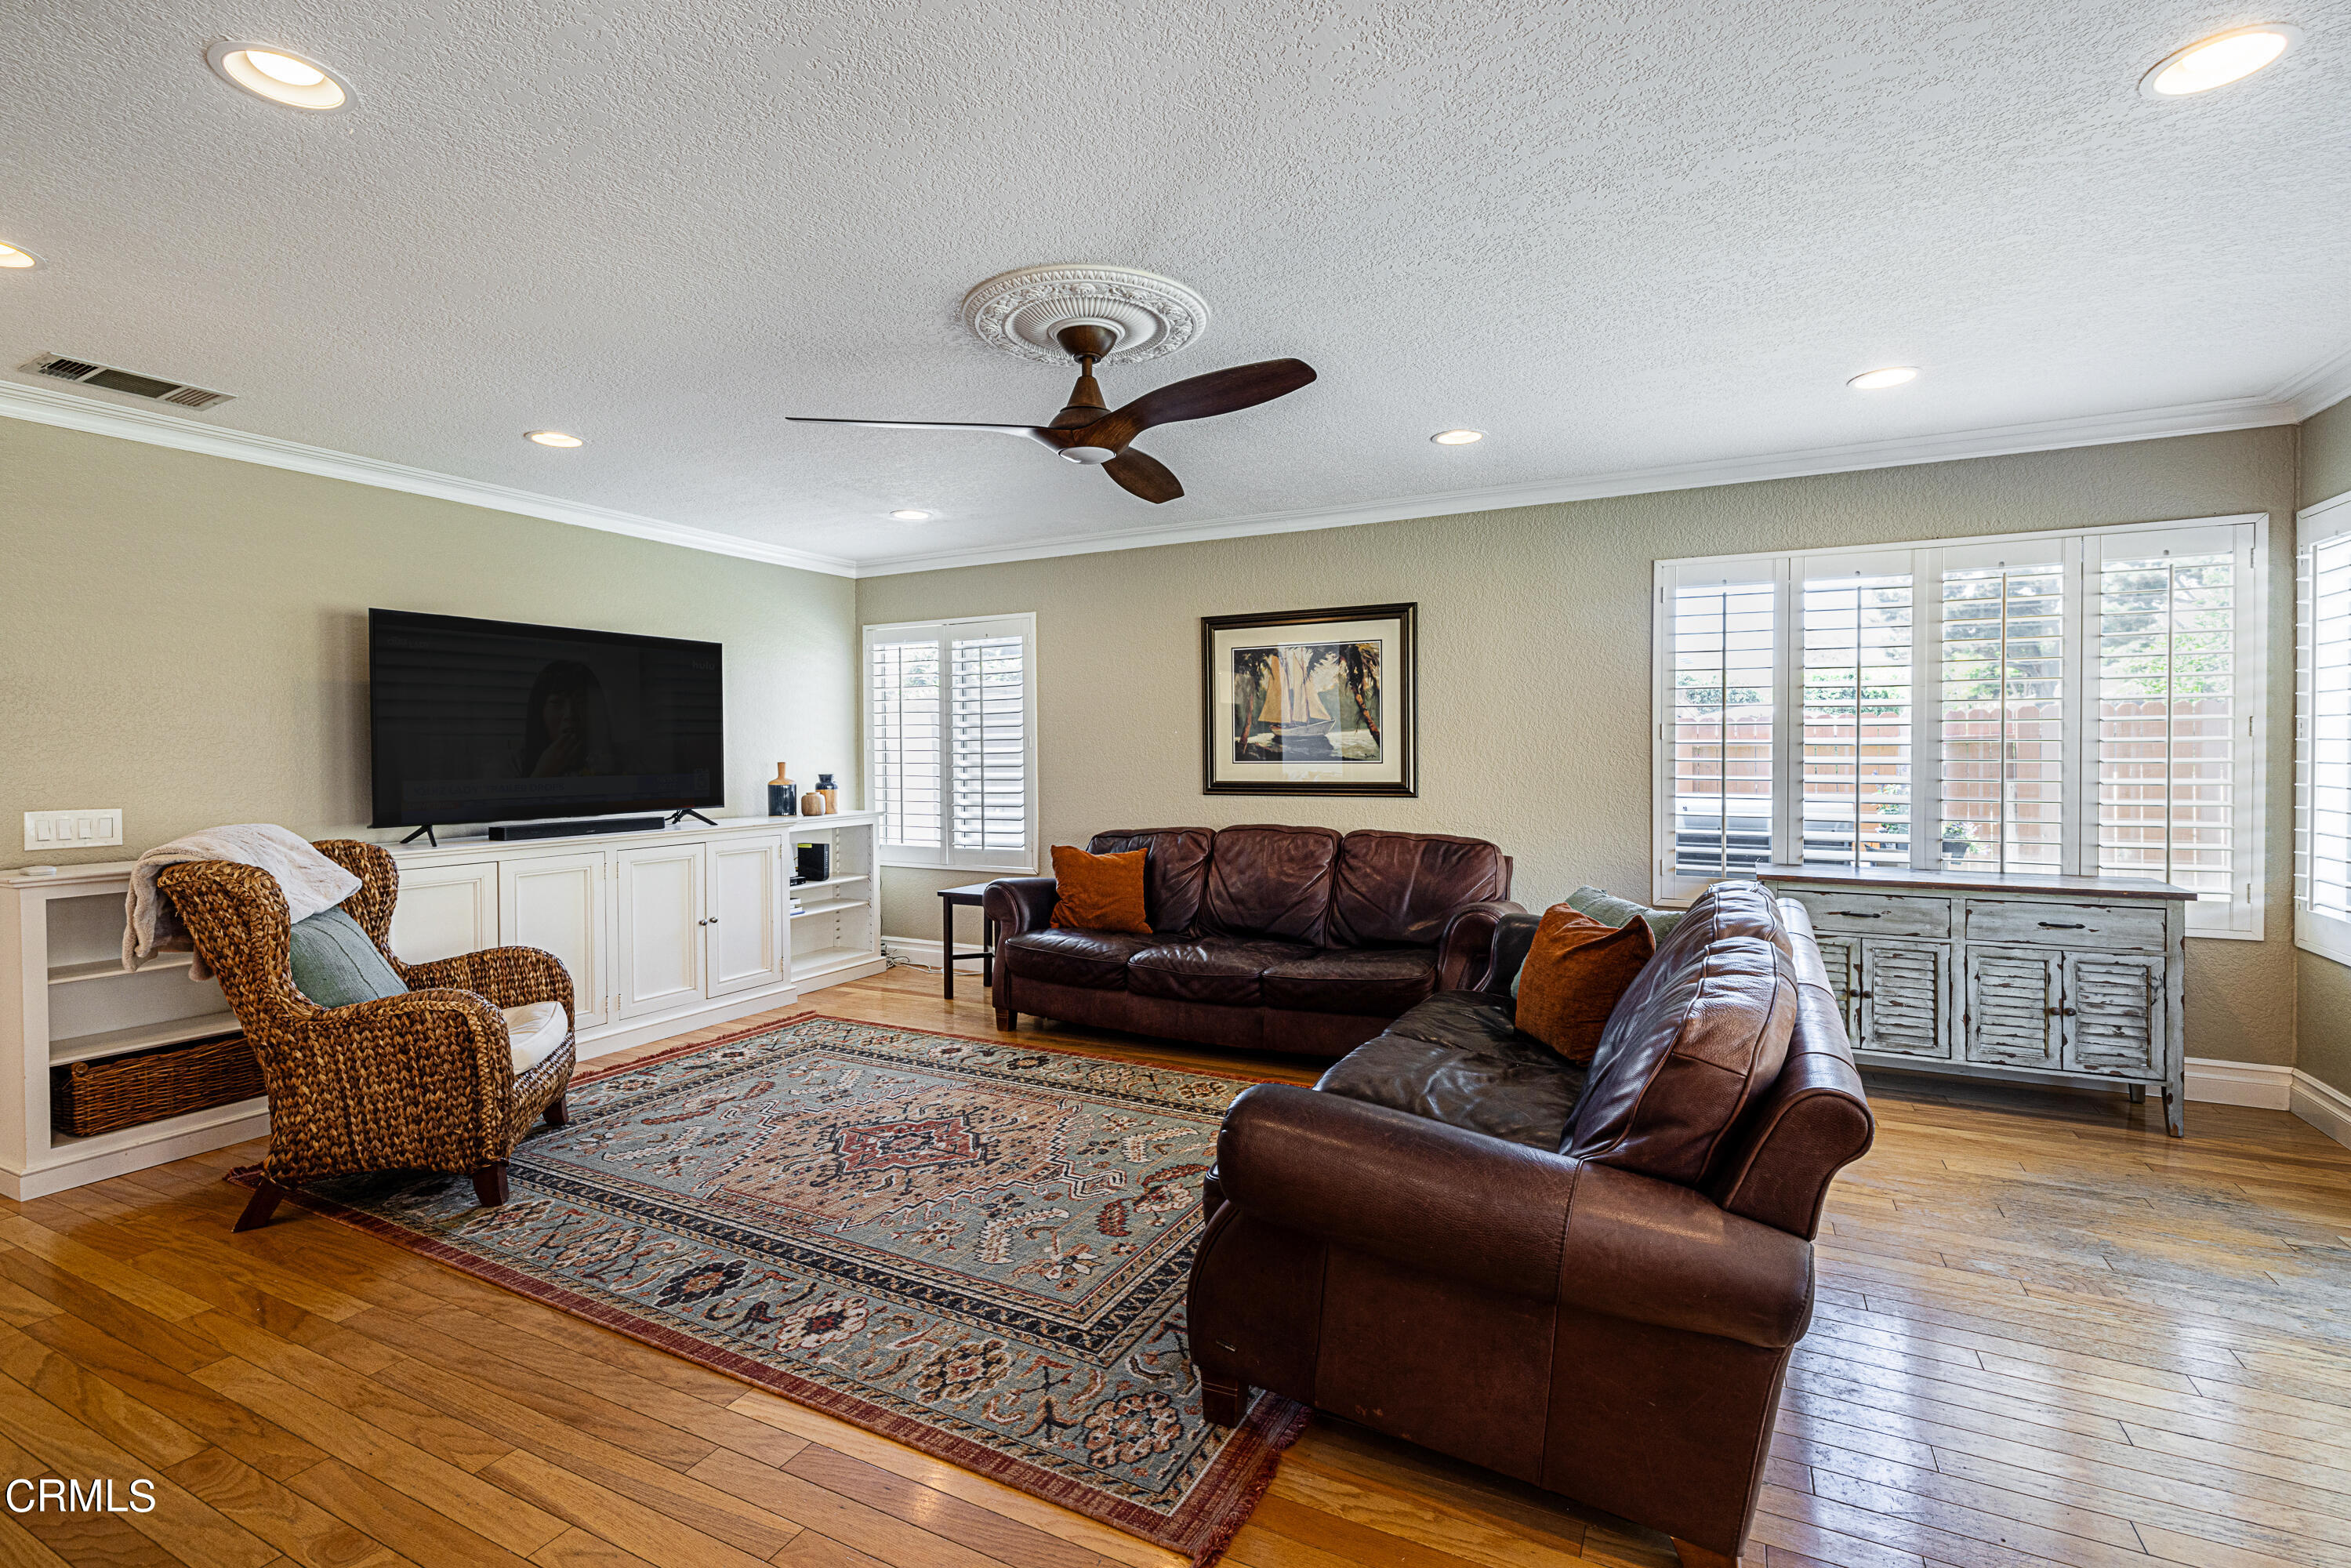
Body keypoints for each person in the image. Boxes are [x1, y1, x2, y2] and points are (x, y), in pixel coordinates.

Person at [522, 660, 617, 777]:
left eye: (581, 702)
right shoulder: (512, 765)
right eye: (557, 703)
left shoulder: (624, 761)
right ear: (540, 711)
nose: (570, 714)